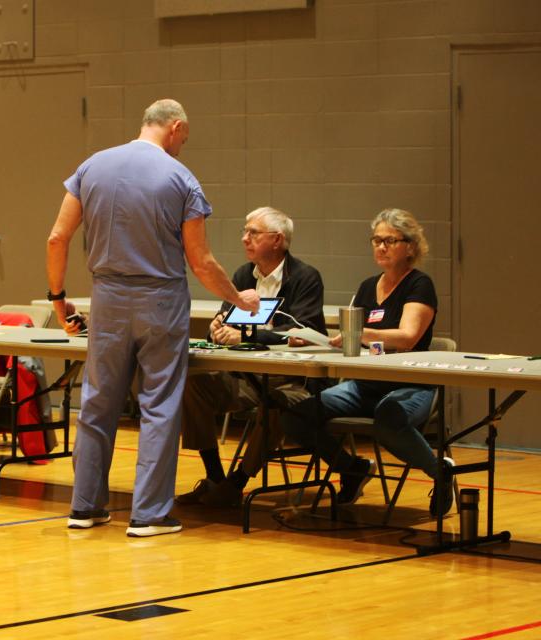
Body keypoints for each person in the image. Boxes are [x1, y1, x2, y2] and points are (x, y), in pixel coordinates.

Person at [46, 99, 260, 538]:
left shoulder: (91, 167)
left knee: (97, 402)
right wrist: (238, 297)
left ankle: (85, 507)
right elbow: (200, 262)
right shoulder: (180, 178)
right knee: (159, 405)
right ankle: (149, 515)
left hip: (106, 297)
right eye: (186, 137)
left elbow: (57, 238)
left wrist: (58, 299)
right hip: (160, 299)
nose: (184, 145)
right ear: (176, 128)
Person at [280, 208, 454, 516]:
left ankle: (439, 470)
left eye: (390, 240)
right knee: (297, 416)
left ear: (410, 247)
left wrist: (360, 332)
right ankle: (352, 468)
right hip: (365, 384)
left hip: (410, 385)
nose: (381, 247)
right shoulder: (366, 286)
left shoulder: (419, 285)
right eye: (376, 240)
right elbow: (351, 336)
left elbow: (408, 336)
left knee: (388, 417)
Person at [177, 207, 327, 508]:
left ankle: (238, 482)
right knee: (193, 386)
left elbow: (303, 329)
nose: (245, 239)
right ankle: (215, 477)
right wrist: (217, 328)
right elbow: (228, 319)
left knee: (277, 402)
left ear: (277, 240)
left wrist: (247, 336)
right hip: (244, 375)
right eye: (245, 232)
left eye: (253, 233)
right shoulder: (243, 275)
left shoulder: (305, 277)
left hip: (291, 378)